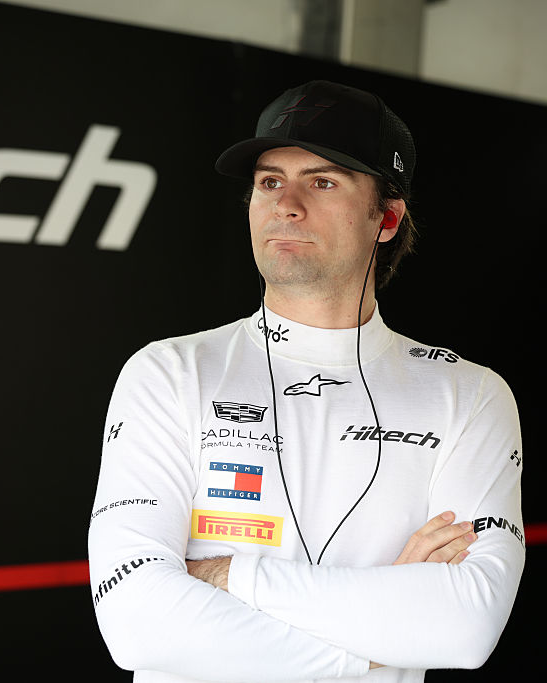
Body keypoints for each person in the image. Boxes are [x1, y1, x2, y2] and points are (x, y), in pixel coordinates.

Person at [87, 80, 523, 682]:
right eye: (270, 182)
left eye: (322, 182)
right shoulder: (169, 372)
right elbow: (137, 624)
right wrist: (384, 633)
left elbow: (464, 630)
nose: (286, 204)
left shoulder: (468, 396)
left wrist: (225, 574)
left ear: (387, 217)